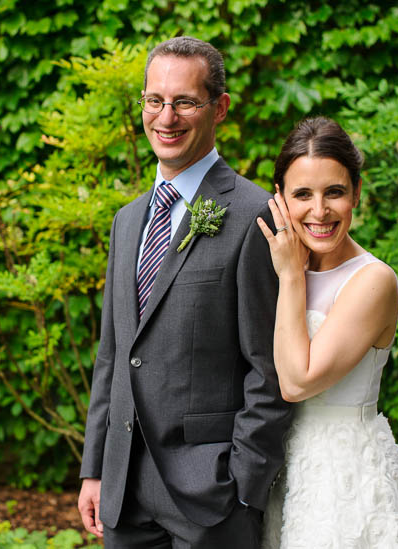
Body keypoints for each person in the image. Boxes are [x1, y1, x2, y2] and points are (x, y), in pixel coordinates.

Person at [77, 36, 291, 548]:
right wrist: (95, 468)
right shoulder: (126, 222)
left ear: (220, 108)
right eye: (155, 100)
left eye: (185, 102)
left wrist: (244, 487)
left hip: (212, 499)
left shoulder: (253, 214)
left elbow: (271, 367)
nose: (166, 117)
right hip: (124, 495)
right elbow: (113, 355)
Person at [256, 117, 398, 548]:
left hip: (345, 478)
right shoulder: (271, 264)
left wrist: (292, 279)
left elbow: (297, 382)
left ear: (356, 192)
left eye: (334, 192)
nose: (319, 211)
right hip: (281, 468)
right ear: (280, 198)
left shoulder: (373, 281)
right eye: (302, 194)